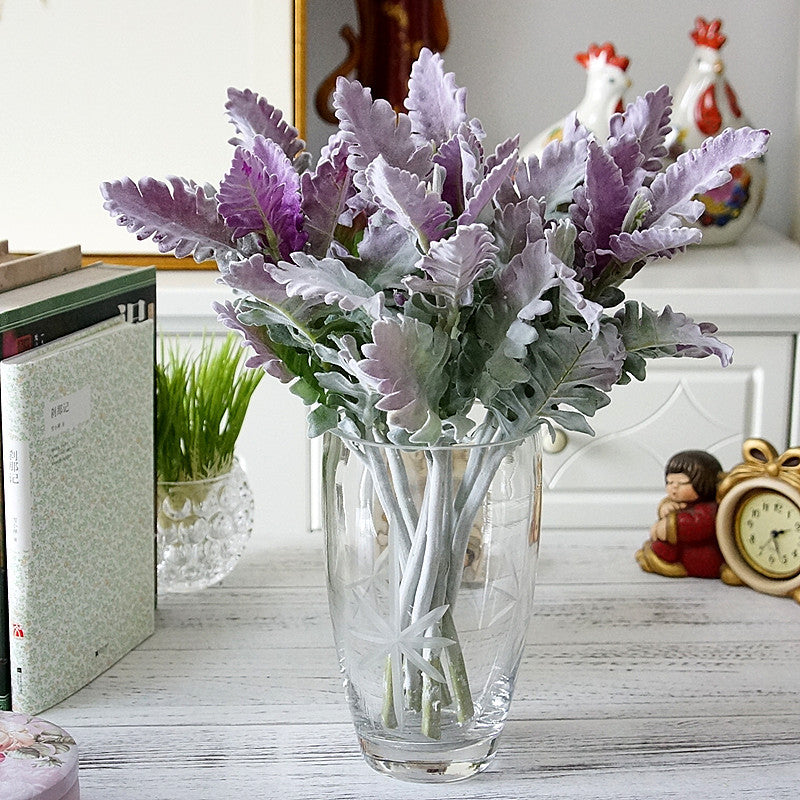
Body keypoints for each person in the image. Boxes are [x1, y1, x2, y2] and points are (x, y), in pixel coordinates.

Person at [635, 450, 736, 580]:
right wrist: (665, 507)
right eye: (670, 482)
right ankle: (652, 556)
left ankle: (656, 560)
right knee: (662, 547)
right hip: (682, 549)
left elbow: (696, 524)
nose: (674, 488)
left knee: (668, 549)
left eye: (681, 483)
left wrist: (669, 526)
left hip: (701, 556)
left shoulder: (711, 509)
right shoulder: (681, 502)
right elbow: (670, 507)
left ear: (704, 483)